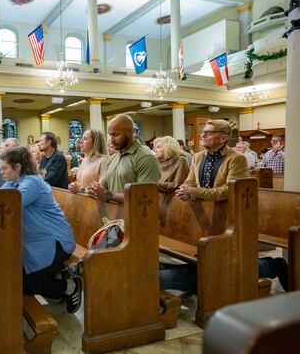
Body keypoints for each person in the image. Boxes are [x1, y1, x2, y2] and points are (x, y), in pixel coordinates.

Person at [163, 120, 288, 292]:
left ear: (224, 137)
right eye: (203, 132)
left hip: (228, 215)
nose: (203, 135)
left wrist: (194, 192)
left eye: (208, 132)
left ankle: (271, 266)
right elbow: (189, 182)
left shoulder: (236, 159)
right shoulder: (198, 157)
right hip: (204, 215)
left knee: (229, 263)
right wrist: (184, 190)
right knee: (215, 262)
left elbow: (228, 191)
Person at [0, 147, 82, 313]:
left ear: (17, 167)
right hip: (37, 242)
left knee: (25, 284)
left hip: (56, 242)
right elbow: (0, 194)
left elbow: (10, 201)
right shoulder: (14, 182)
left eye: (4, 168)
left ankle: (67, 286)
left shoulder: (32, 182)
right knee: (12, 276)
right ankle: (51, 275)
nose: (1, 171)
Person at [87, 114, 160, 203]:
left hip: (135, 215)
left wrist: (107, 195)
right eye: (110, 135)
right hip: (113, 213)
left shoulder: (145, 158)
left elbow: (143, 196)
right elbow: (104, 184)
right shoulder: (113, 158)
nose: (112, 140)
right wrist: (94, 189)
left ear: (130, 132)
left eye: (116, 135)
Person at [68, 129, 108, 194]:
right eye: (82, 138)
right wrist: (74, 186)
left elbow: (100, 191)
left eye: (85, 139)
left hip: (94, 203)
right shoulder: (85, 159)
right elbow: (81, 183)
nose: (81, 141)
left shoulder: (103, 160)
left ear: (95, 142)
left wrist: (81, 189)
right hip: (81, 200)